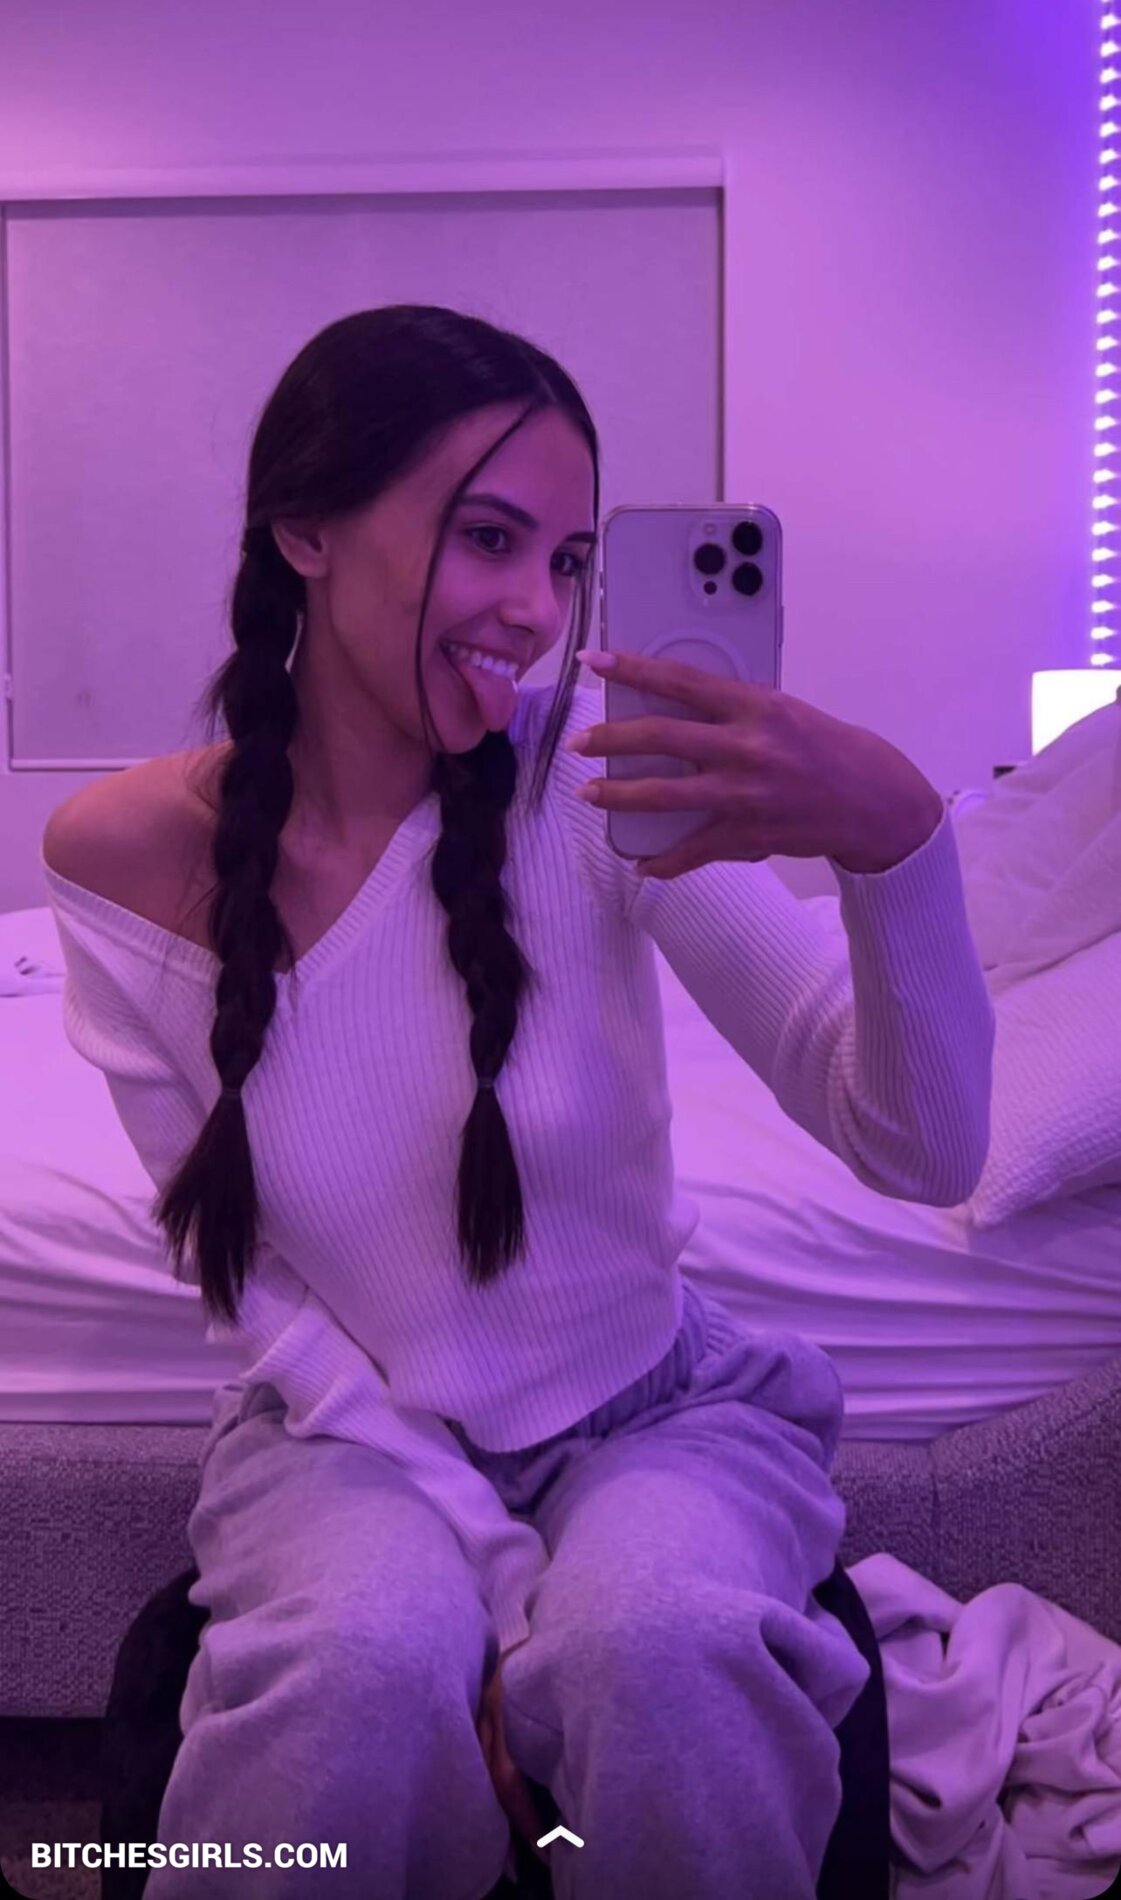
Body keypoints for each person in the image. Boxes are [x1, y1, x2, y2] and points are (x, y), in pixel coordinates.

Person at [42, 304, 995, 1900]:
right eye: (489, 539)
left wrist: (894, 846)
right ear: (305, 530)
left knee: (665, 1648)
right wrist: (485, 1566)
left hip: (655, 1413)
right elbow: (242, 1274)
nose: (537, 612)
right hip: (335, 1428)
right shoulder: (122, 859)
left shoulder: (594, 785)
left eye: (567, 561)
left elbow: (920, 1146)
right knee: (354, 1668)